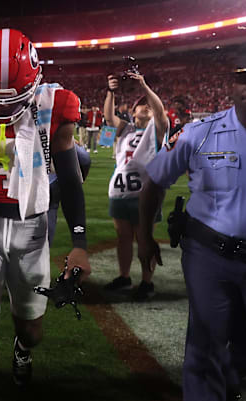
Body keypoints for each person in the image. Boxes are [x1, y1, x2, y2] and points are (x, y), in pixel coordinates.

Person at [139, 34, 246, 401]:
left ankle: (225, 376)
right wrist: (144, 236)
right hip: (209, 258)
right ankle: (210, 386)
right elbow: (154, 180)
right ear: (233, 84)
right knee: (203, 350)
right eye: (245, 77)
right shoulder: (199, 134)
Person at [0, 29, 90, 401]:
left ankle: (22, 349)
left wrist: (79, 242)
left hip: (32, 226)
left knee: (32, 328)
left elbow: (72, 178)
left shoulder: (55, 106)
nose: (0, 111)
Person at [102, 73, 169, 300]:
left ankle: (147, 282)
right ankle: (124, 276)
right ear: (132, 113)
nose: (145, 107)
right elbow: (109, 118)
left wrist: (144, 86)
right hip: (120, 190)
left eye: (147, 105)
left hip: (145, 193)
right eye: (140, 105)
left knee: (144, 238)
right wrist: (110, 91)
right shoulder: (126, 129)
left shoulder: (157, 129)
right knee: (123, 237)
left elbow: (159, 111)